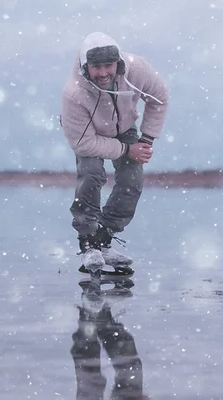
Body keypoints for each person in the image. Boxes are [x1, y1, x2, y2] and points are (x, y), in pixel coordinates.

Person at [59, 32, 169, 273]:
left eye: (108, 65)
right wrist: (128, 149)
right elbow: (83, 144)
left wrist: (146, 139)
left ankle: (102, 239)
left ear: (118, 63)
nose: (103, 72)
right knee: (92, 175)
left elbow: (159, 97)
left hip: (125, 128)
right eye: (96, 67)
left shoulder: (137, 70)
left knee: (132, 181)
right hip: (87, 134)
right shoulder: (73, 93)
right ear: (85, 66)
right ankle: (88, 243)